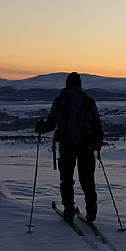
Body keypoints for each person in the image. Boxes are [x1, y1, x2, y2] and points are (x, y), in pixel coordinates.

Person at [34, 72, 104, 222]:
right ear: (80, 84)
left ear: (66, 84)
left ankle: (69, 209)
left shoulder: (60, 100)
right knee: (87, 179)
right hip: (87, 147)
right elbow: (97, 123)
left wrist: (39, 128)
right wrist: (98, 142)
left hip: (67, 147)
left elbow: (51, 123)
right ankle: (91, 207)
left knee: (66, 180)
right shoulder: (88, 101)